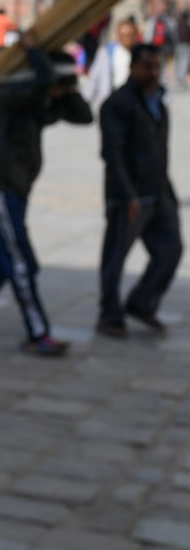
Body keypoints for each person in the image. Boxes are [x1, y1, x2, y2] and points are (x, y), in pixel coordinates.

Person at [0, 32, 93, 355]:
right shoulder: (13, 95)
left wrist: (67, 89)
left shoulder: (42, 100)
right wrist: (34, 52)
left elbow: (84, 116)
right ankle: (38, 333)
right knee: (22, 262)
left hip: (18, 187)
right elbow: (41, 83)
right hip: (1, 186)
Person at [96, 42, 182, 336]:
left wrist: (167, 190)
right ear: (133, 67)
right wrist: (126, 194)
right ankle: (109, 313)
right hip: (130, 195)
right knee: (116, 256)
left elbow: (159, 150)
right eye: (148, 67)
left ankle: (143, 303)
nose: (154, 73)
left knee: (171, 250)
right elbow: (113, 153)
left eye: (157, 67)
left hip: (158, 191)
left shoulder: (158, 101)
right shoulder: (117, 104)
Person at [82, 14, 139, 114]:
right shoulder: (107, 53)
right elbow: (94, 79)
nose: (127, 39)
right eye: (124, 35)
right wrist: (84, 103)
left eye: (130, 35)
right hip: (113, 100)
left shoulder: (142, 53)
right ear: (118, 36)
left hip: (135, 102)